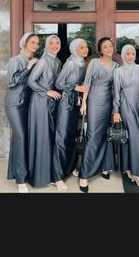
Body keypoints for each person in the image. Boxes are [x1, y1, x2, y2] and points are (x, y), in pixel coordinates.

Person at [78, 37, 119, 193]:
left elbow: (116, 88)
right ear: (100, 50)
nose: (108, 48)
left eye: (110, 46)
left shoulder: (116, 66)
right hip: (95, 100)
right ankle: (84, 175)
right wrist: (84, 103)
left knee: (105, 134)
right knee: (93, 134)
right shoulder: (94, 63)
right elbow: (86, 84)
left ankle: (105, 166)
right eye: (105, 46)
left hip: (108, 102)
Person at [52, 38, 89, 191]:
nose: (85, 49)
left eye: (86, 46)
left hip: (75, 104)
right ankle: (57, 177)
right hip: (65, 103)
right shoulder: (71, 63)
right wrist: (76, 87)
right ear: (75, 49)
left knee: (71, 136)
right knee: (61, 138)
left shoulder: (82, 63)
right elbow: (59, 83)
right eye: (81, 47)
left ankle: (70, 168)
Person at [5, 32, 39, 193]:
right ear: (24, 43)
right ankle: (20, 179)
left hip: (28, 103)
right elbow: (11, 83)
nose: (35, 45)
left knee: (21, 139)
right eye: (33, 42)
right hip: (14, 103)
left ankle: (16, 171)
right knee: (21, 136)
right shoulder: (16, 60)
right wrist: (28, 68)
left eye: (37, 43)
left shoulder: (32, 60)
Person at [112, 44, 139, 189]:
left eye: (132, 54)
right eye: (127, 54)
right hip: (125, 106)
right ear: (123, 55)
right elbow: (116, 93)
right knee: (134, 137)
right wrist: (116, 111)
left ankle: (127, 168)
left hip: (137, 105)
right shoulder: (118, 71)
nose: (130, 56)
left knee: (128, 138)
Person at [27, 35, 62, 188]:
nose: (55, 45)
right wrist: (47, 91)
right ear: (47, 45)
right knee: (41, 139)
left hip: (51, 104)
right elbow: (30, 81)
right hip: (39, 102)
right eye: (51, 43)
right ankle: (38, 178)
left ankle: (49, 174)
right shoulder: (42, 61)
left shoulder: (58, 62)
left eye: (57, 43)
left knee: (49, 138)